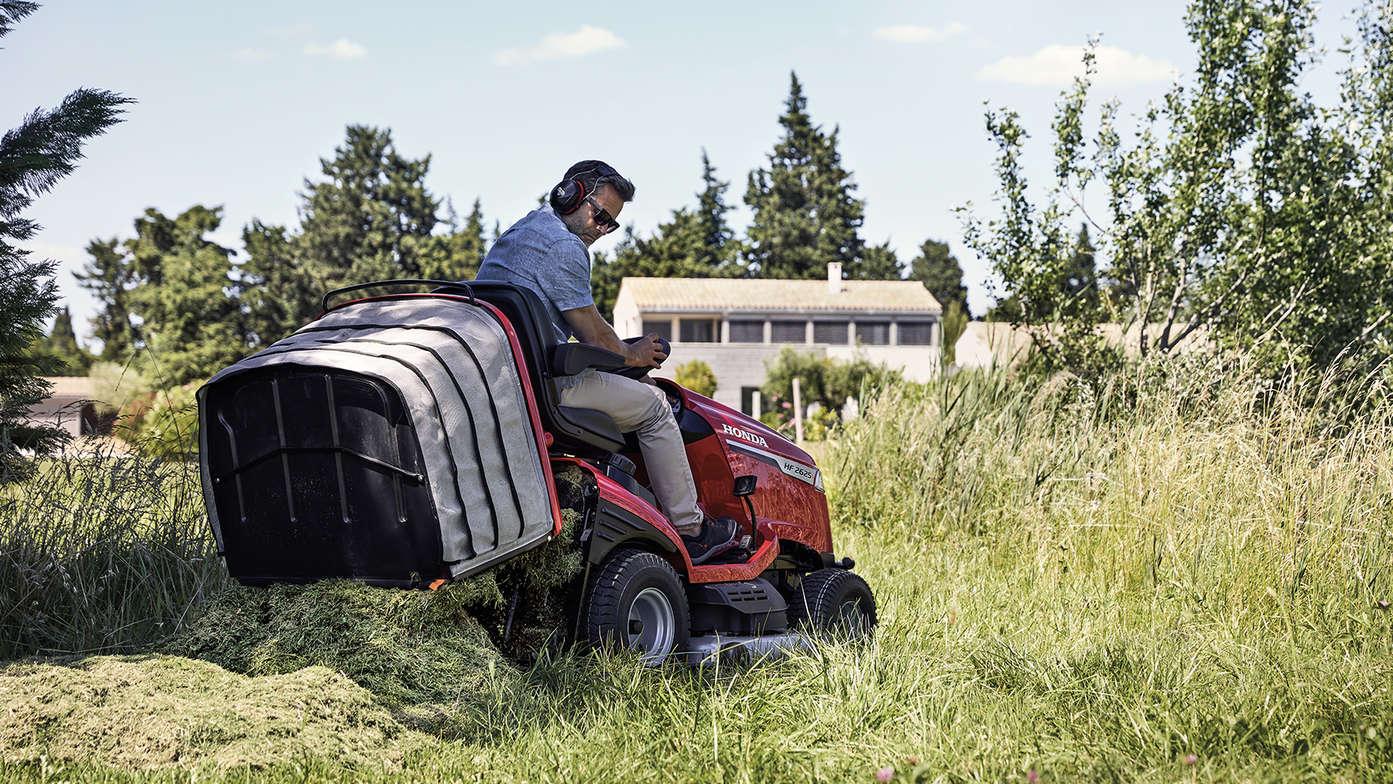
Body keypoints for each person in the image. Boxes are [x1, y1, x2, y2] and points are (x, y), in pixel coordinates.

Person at [474, 160, 739, 565]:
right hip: (544, 386)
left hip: (511, 378)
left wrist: (624, 356)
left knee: (637, 390)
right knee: (654, 408)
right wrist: (636, 354)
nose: (602, 229)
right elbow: (595, 336)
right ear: (572, 194)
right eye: (600, 215)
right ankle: (692, 530)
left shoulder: (519, 233)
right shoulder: (564, 246)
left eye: (611, 224)